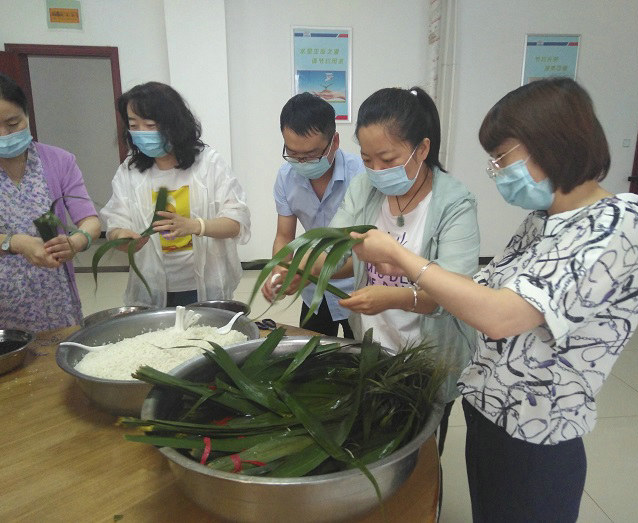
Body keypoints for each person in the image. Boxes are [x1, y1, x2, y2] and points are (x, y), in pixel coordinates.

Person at [349, 78, 638, 522]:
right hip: (490, 414)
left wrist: (402, 257)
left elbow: (501, 315)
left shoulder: (615, 224)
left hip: (538, 432)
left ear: (550, 144)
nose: (496, 170)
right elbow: (478, 289)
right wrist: (406, 280)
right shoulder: (543, 220)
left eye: (501, 157)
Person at [325, 86, 481, 452]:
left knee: (420, 449)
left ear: (422, 149)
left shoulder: (454, 204)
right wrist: (298, 269)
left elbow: (452, 294)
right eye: (367, 159)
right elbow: (340, 253)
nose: (376, 171)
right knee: (374, 438)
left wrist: (393, 297)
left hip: (430, 358)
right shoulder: (364, 187)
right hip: (375, 347)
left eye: (388, 159)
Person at [100, 82, 250, 308]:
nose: (141, 133)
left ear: (174, 124)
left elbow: (236, 222)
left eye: (150, 125)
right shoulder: (129, 172)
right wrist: (122, 237)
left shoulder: (208, 164)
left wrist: (195, 226)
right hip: (152, 284)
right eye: (134, 125)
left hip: (205, 281)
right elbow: (115, 224)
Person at [0, 69, 101, 332]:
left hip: (56, 294)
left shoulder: (59, 160)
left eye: (13, 123)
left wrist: (76, 241)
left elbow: (90, 220)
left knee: (60, 352)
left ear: (27, 115)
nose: (3, 134)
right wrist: (15, 243)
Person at [261, 92, 361, 337]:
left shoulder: (361, 176)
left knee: (359, 353)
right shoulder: (286, 177)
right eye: (293, 154)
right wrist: (280, 270)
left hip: (357, 288)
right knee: (313, 351)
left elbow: (364, 255)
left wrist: (308, 272)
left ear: (334, 142)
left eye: (312, 154)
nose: (302, 162)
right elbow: (284, 236)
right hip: (314, 291)